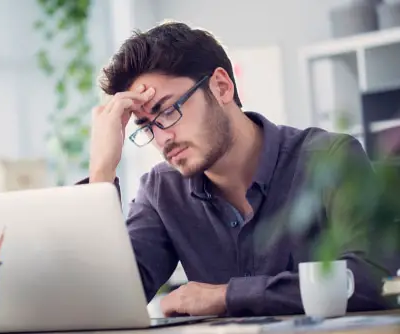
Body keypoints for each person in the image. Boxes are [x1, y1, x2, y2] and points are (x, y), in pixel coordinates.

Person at [84, 21, 390, 317]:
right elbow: (104, 302)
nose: (163, 138)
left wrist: (225, 296)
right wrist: (102, 170)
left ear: (221, 86)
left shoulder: (330, 158)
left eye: (168, 111)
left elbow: (365, 280)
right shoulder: (160, 192)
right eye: (147, 127)